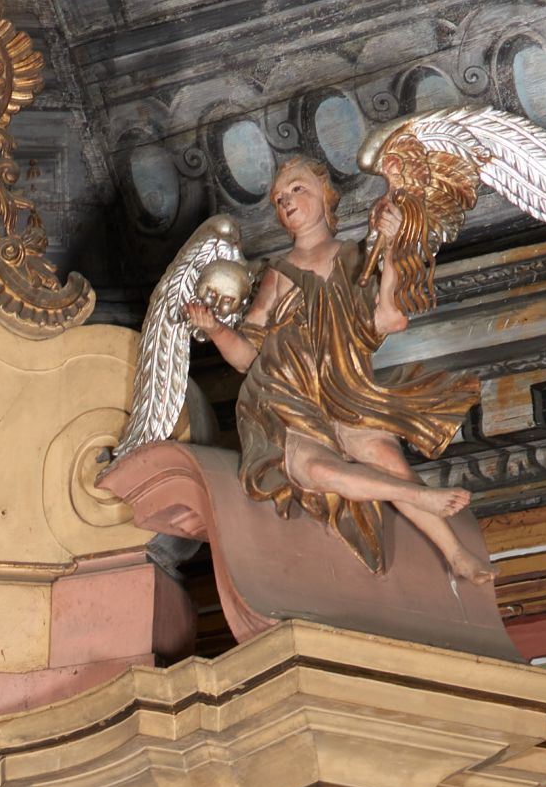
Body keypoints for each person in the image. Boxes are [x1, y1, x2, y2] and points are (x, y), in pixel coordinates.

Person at [191, 150, 486, 583]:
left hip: (345, 393)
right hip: (285, 401)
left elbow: (389, 318)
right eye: (278, 200)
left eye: (297, 189)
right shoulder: (277, 273)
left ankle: (456, 553)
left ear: (326, 197)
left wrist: (390, 251)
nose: (286, 202)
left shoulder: (354, 257)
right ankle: (417, 498)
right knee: (318, 471)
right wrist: (216, 329)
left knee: (387, 458)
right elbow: (247, 358)